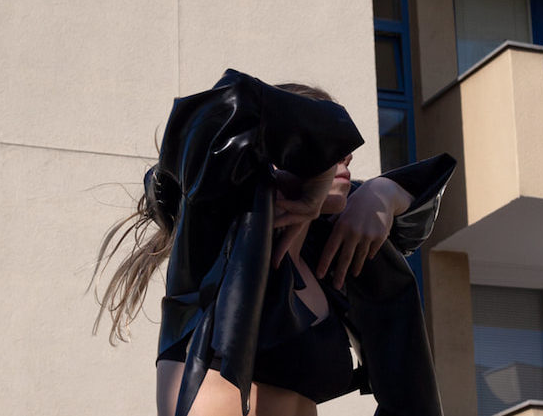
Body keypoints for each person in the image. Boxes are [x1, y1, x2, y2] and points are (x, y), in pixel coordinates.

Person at [91, 70, 455, 416]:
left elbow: (415, 217)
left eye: (343, 151)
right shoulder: (219, 232)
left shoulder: (326, 260)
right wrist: (320, 177)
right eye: (322, 145)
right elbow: (223, 108)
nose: (344, 154)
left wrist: (383, 192)